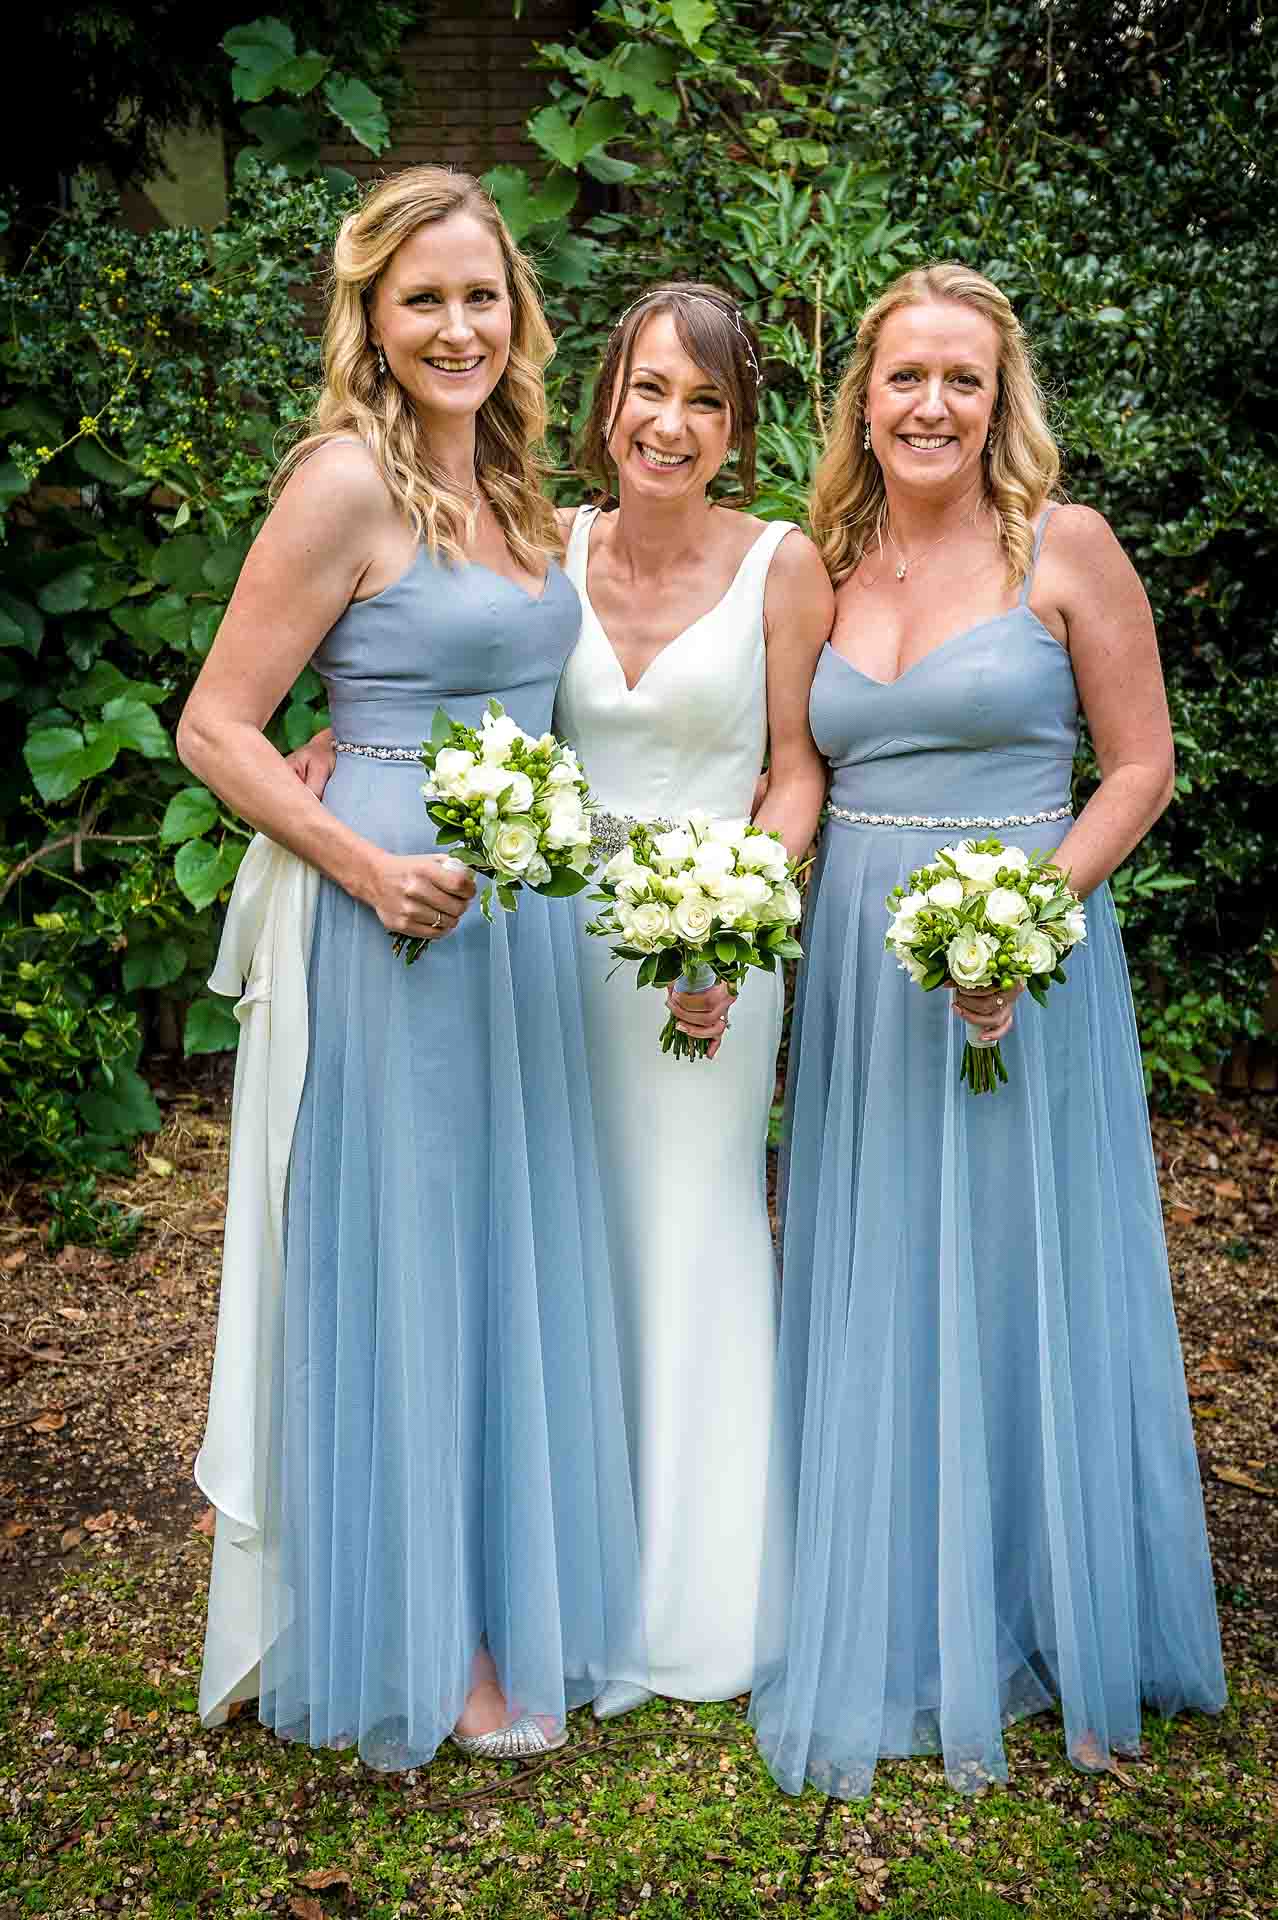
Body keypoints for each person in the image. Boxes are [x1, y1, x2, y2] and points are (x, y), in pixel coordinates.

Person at [181, 166, 643, 1771]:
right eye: (422, 297)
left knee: (504, 1247)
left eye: (481, 295)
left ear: (518, 316)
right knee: (413, 1258)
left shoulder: (517, 493)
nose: (458, 325)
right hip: (393, 921)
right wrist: (367, 862)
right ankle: (426, 1639)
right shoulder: (341, 484)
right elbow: (214, 724)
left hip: (517, 928)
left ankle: (511, 1597)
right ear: (370, 319)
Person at [750, 262, 1226, 1798]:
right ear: (863, 400)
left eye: (960, 378)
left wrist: (1025, 921)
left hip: (1020, 958)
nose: (931, 405)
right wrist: (729, 912)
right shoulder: (821, 562)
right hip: (857, 979)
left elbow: (1139, 768)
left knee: (1031, 1269)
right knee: (882, 1260)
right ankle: (892, 1603)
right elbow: (797, 771)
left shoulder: (1062, 548)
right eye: (903, 378)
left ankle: (1064, 1619)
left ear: (999, 398)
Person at [554, 284, 832, 1716]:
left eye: (706, 402)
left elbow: (797, 769)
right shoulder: (544, 550)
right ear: (606, 395)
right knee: (567, 1230)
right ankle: (567, 1561)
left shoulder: (780, 565)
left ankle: (703, 1597)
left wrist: (730, 914)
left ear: (735, 427)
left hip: (713, 953)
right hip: (551, 951)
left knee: (694, 1220)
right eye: (651, 389)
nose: (672, 424)